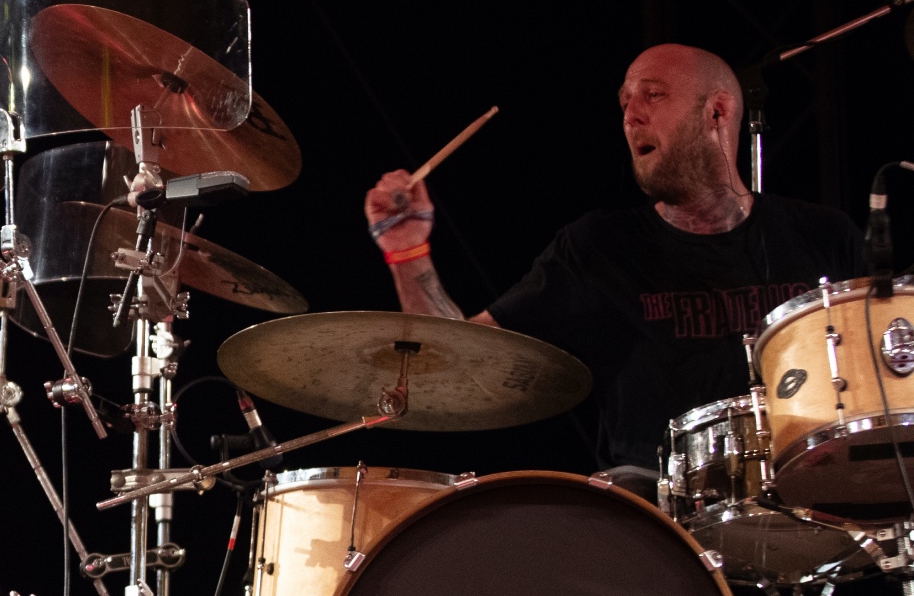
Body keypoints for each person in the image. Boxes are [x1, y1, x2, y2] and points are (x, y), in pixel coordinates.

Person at [365, 43, 866, 475]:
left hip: (813, 500)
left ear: (717, 111)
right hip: (659, 523)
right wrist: (408, 251)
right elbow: (457, 362)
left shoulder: (822, 235)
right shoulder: (597, 248)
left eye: (653, 95)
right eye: (625, 102)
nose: (631, 116)